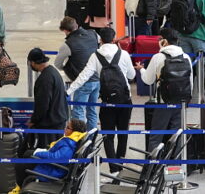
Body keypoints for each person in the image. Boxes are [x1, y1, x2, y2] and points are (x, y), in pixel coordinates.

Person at [66, 27, 134, 172]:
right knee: (123, 133)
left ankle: (113, 168)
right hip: (125, 100)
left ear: (100, 40)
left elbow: (84, 76)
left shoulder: (95, 56)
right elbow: (132, 76)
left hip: (108, 101)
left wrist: (69, 91)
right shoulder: (124, 54)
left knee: (108, 136)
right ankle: (120, 165)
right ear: (114, 38)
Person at [135, 28, 192, 151]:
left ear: (164, 41)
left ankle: (154, 166)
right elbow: (190, 81)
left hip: (164, 102)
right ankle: (176, 166)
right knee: (176, 135)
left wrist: (141, 69)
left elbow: (148, 80)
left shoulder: (158, 57)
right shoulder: (186, 57)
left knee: (156, 135)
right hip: (181, 102)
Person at [12, 119, 88, 190]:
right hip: (53, 166)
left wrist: (38, 153)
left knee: (20, 165)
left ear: (74, 132)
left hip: (52, 170)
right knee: (27, 154)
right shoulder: (71, 141)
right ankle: (20, 186)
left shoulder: (68, 144)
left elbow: (57, 158)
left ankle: (20, 188)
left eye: (67, 127)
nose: (65, 129)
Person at [54, 17, 100, 131]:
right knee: (92, 110)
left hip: (82, 81)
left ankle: (79, 140)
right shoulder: (93, 34)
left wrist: (67, 68)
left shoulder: (68, 44)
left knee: (78, 111)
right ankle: (91, 139)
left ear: (65, 30)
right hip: (97, 79)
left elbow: (58, 64)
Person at [27, 48, 68, 148]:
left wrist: (34, 120)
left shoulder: (44, 79)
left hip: (50, 124)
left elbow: (43, 105)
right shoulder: (54, 72)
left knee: (47, 154)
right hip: (59, 120)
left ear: (33, 62)